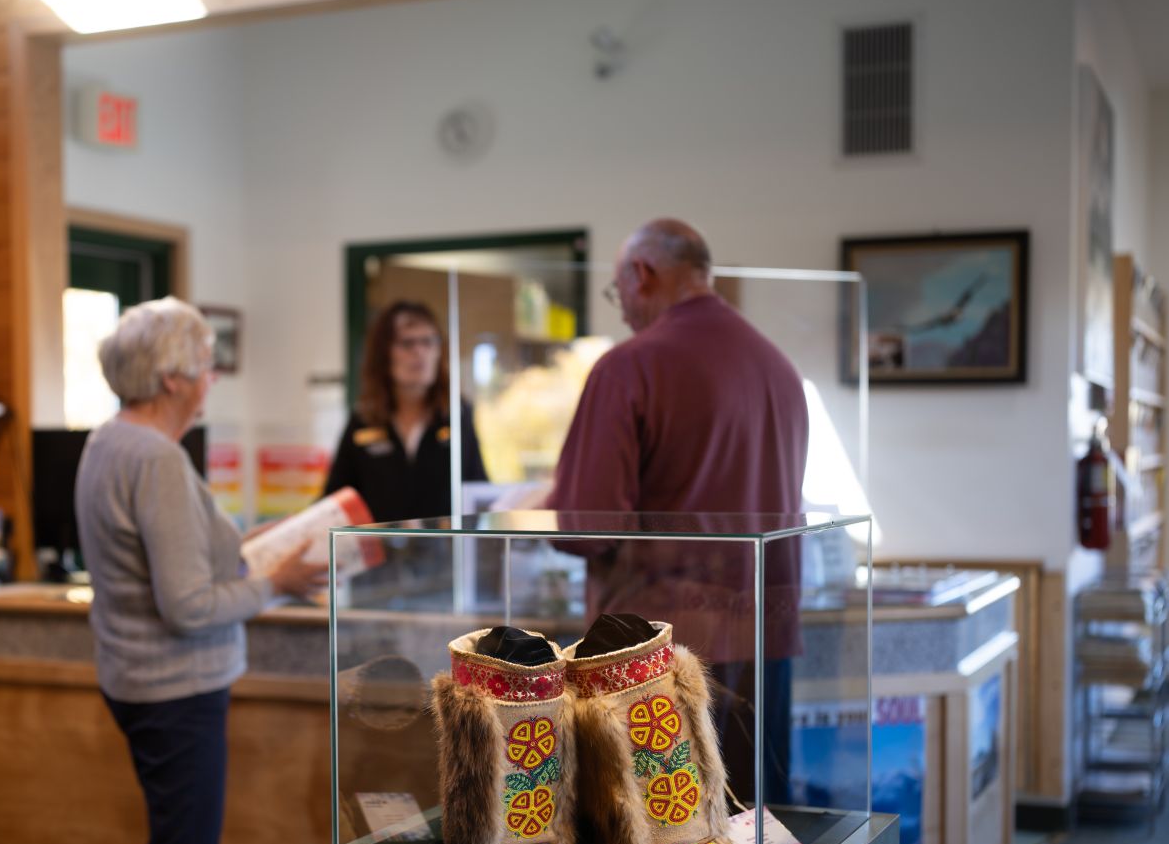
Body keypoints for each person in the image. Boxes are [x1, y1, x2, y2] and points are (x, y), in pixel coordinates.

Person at [75, 297, 326, 844]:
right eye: (208, 366)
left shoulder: (110, 439)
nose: (213, 379)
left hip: (135, 680)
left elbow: (185, 553)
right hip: (174, 690)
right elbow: (187, 606)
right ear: (171, 379)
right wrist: (278, 583)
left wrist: (264, 541)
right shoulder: (156, 458)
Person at [547, 219, 809, 804]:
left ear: (642, 274)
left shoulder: (629, 368)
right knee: (753, 835)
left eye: (618, 294)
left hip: (655, 656)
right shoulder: (778, 368)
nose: (622, 313)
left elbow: (587, 526)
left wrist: (545, 500)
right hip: (764, 638)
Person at [322, 300, 488, 522]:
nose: (419, 352)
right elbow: (334, 500)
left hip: (446, 553)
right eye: (407, 343)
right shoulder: (364, 420)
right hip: (381, 554)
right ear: (384, 354)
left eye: (428, 342)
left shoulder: (457, 415)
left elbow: (479, 492)